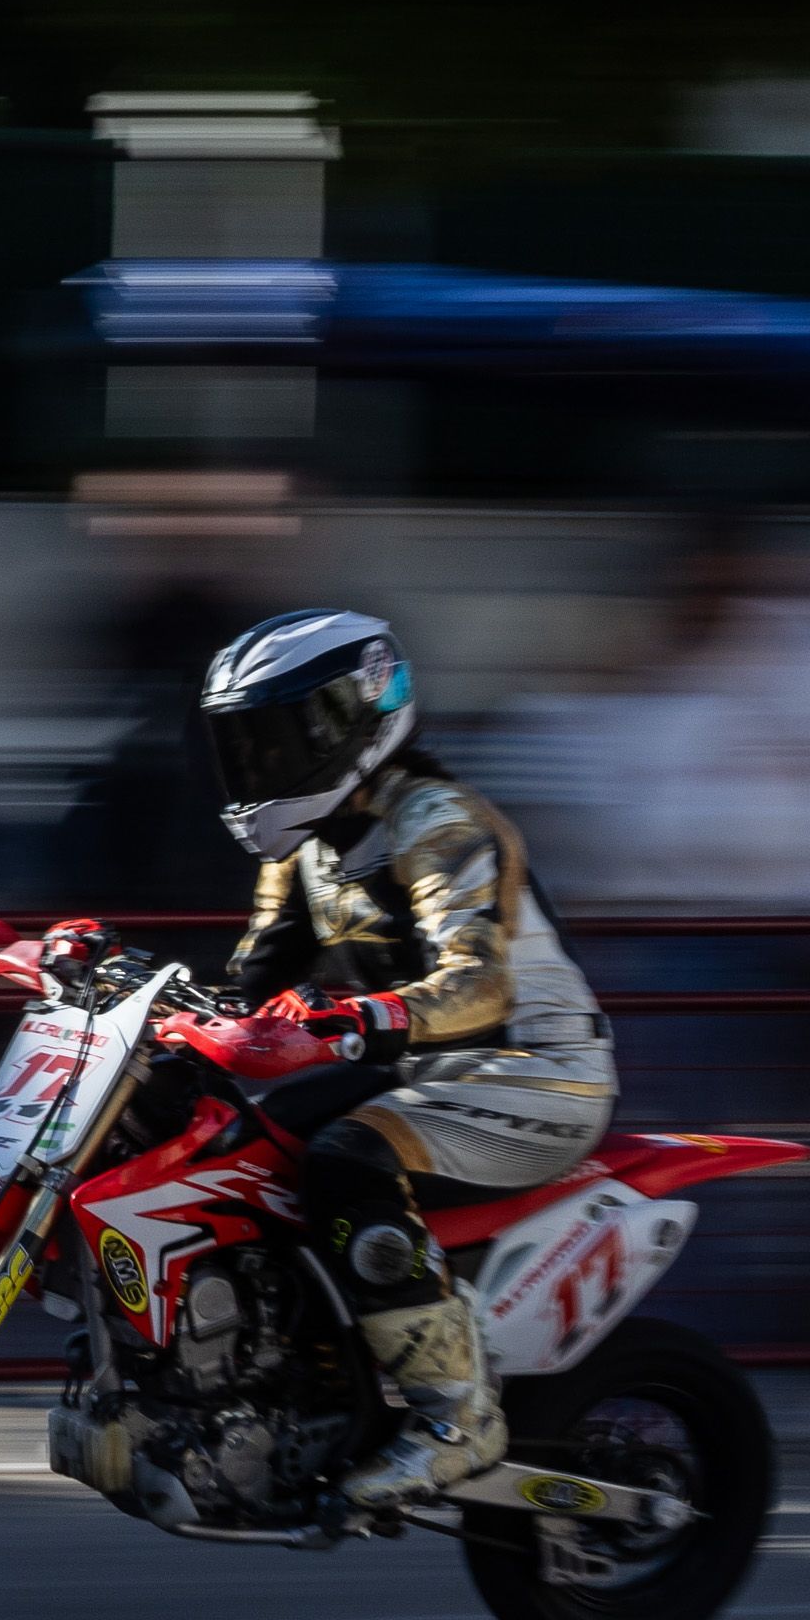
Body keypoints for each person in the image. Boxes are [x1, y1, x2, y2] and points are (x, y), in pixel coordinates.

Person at [200, 607, 614, 1511]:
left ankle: (456, 1415)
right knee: (219, 1137)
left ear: (354, 721)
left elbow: (478, 988)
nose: (257, 764)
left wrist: (349, 1023)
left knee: (348, 1161)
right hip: (412, 1072)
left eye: (277, 736)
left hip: (534, 1071)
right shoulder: (302, 847)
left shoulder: (442, 820)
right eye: (244, 743)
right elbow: (246, 983)